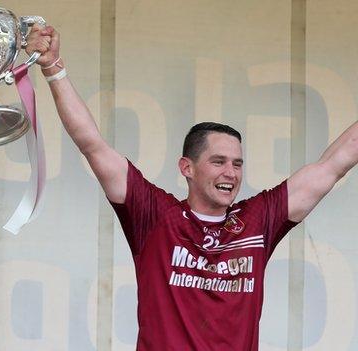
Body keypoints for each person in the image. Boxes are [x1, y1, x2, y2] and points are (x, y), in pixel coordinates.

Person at [26, 26, 358, 350]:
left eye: (237, 163)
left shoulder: (258, 221)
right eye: (218, 161)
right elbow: (92, 145)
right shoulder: (155, 214)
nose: (231, 172)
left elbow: (333, 164)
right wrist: (54, 69)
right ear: (187, 167)